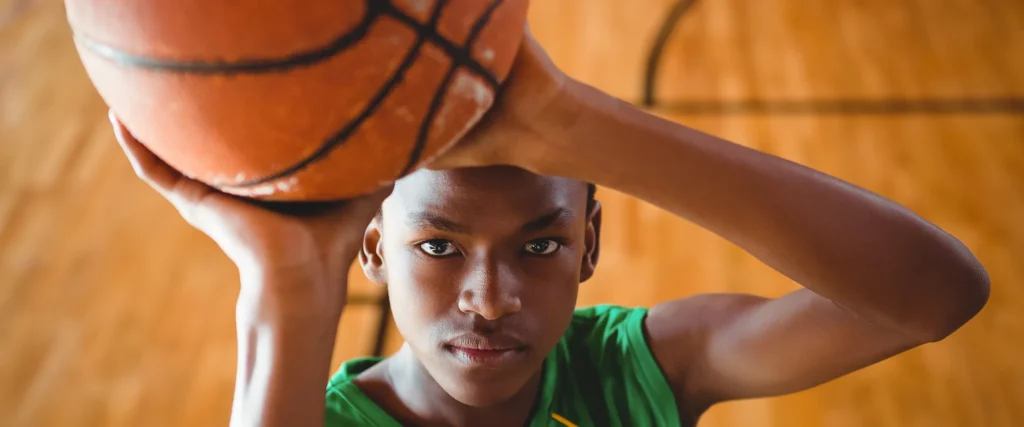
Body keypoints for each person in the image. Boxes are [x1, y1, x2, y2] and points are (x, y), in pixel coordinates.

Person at [110, 31, 990, 427]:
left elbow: (934, 297)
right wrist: (288, 282)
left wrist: (576, 126)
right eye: (439, 246)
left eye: (539, 245)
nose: (489, 300)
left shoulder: (626, 377)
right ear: (371, 246)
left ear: (590, 245)